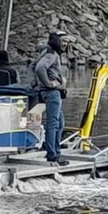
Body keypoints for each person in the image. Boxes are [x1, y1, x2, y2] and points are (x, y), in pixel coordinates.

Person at [32, 33, 68, 166]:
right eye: (63, 41)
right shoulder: (51, 54)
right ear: (56, 41)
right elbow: (39, 68)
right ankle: (52, 154)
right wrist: (48, 83)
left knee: (60, 123)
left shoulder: (45, 52)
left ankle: (55, 151)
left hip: (49, 92)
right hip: (52, 93)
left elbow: (34, 67)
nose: (66, 44)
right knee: (54, 123)